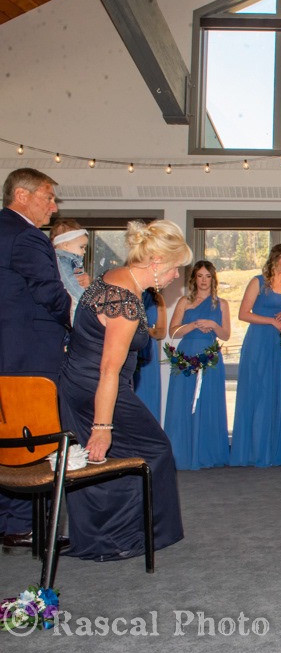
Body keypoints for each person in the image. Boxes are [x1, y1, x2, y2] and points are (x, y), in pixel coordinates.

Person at [58, 219, 191, 561]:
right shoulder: (126, 303)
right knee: (154, 450)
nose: (177, 276)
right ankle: (131, 537)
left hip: (77, 384)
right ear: (157, 263)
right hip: (98, 388)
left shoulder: (112, 278)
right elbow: (108, 369)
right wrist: (103, 427)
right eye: (176, 268)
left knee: (109, 459)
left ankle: (106, 538)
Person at [0, 168, 71, 551]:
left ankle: (7, 522)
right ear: (22, 195)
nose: (53, 206)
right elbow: (49, 292)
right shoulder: (26, 236)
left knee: (3, 437)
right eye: (48, 196)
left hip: (6, 354)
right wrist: (75, 318)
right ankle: (22, 527)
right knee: (29, 441)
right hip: (28, 355)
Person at [229, 244, 281, 467]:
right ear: (275, 259)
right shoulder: (257, 282)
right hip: (258, 342)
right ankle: (255, 451)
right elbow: (243, 314)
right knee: (259, 392)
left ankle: (275, 450)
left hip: (277, 344)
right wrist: (271, 321)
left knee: (276, 392)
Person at [163, 260, 231, 470]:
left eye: (207, 276)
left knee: (208, 402)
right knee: (182, 402)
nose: (203, 280)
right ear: (194, 279)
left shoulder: (222, 304)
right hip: (186, 357)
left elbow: (226, 335)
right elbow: (172, 332)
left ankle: (207, 452)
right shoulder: (185, 301)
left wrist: (213, 325)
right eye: (200, 276)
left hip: (209, 358)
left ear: (213, 279)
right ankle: (181, 454)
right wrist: (191, 325)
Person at [48, 218, 91, 323]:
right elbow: (68, 281)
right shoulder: (61, 260)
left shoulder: (73, 261)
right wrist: (84, 298)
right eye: (81, 247)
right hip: (73, 297)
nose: (84, 251)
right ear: (66, 245)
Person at [133, 288, 166, 421]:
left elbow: (161, 332)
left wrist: (144, 330)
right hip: (130, 347)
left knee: (149, 398)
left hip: (149, 352)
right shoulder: (128, 293)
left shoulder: (157, 298)